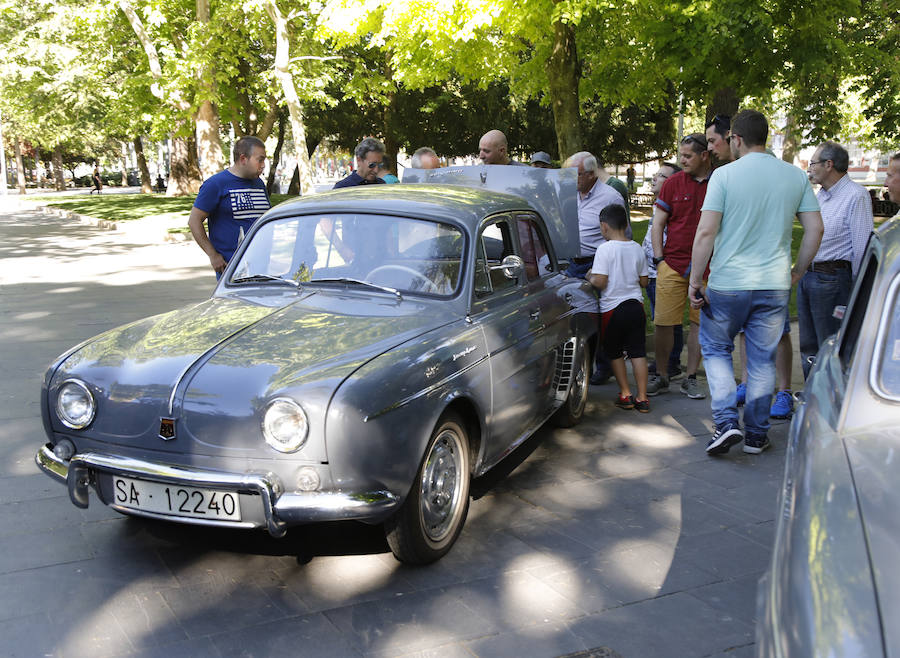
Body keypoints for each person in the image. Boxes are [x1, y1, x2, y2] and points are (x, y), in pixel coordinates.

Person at [689, 109, 823, 456]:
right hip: (774, 282)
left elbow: (706, 231)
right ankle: (756, 435)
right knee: (762, 359)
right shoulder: (795, 177)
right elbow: (815, 229)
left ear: (735, 138)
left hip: (728, 282)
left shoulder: (725, 176)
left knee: (717, 350)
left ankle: (726, 422)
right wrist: (799, 270)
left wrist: (695, 279)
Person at [799, 141, 874, 378]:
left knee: (829, 346)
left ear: (828, 165)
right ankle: (810, 400)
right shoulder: (820, 196)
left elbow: (862, 248)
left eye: (813, 163)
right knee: (808, 346)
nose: (809, 168)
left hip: (832, 280)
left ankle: (830, 404)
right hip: (809, 276)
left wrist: (856, 293)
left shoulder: (856, 196)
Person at [648, 134, 712, 400]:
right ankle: (662, 375)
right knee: (664, 323)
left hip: (708, 268)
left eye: (688, 156)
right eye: (680, 155)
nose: (682, 160)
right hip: (672, 265)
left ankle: (691, 378)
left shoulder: (720, 183)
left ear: (704, 156)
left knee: (700, 324)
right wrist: (659, 259)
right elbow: (658, 223)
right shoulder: (673, 183)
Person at [564, 151, 627, 385]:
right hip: (571, 263)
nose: (573, 179)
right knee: (574, 315)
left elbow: (622, 235)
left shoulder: (610, 197)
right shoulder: (569, 194)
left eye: (577, 175)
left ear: (591, 174)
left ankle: (604, 365)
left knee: (601, 316)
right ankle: (579, 363)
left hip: (597, 263)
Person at [588, 204, 650, 412]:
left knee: (614, 352)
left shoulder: (604, 249)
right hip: (636, 306)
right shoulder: (637, 248)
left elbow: (601, 282)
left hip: (613, 308)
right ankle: (642, 397)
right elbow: (644, 281)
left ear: (604, 226)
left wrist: (590, 276)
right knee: (637, 352)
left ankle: (626, 393)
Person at [188, 136, 270, 278]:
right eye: (260, 159)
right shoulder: (215, 184)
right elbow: (194, 221)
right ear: (243, 159)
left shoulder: (259, 184)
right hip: (232, 270)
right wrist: (213, 255)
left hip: (262, 266)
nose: (263, 165)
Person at [642, 162, 685, 381]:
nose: (654, 178)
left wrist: (661, 264)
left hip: (664, 271)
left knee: (669, 320)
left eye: (661, 176)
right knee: (660, 318)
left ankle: (672, 362)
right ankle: (665, 360)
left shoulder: (672, 207)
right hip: (651, 272)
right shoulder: (657, 205)